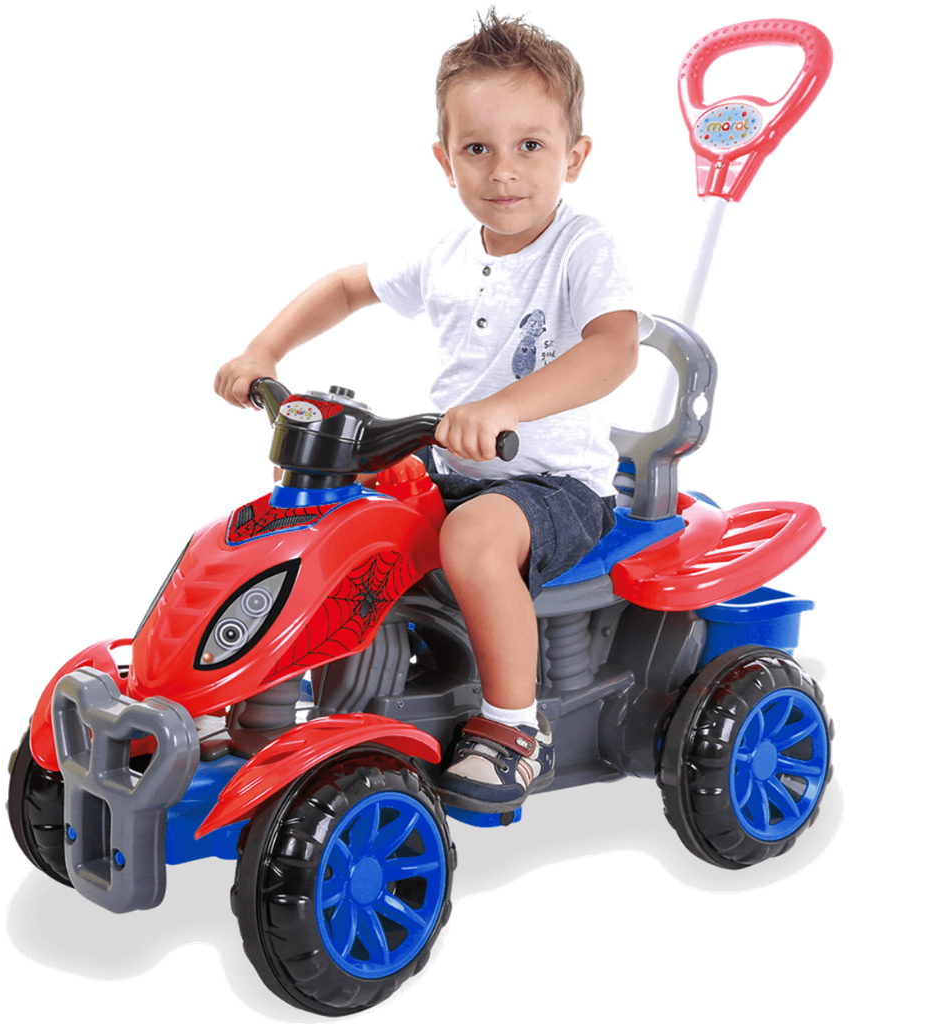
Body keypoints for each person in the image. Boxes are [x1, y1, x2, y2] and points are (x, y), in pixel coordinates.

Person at [214, 9, 652, 813]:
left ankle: (514, 729)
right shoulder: (447, 250)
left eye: (531, 145)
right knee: (335, 511)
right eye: (477, 147)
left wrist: (504, 405)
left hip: (553, 485)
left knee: (473, 538)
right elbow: (345, 287)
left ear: (575, 156)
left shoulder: (583, 248)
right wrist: (263, 352)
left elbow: (614, 348)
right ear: (445, 160)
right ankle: (270, 687)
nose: (503, 171)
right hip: (452, 464)